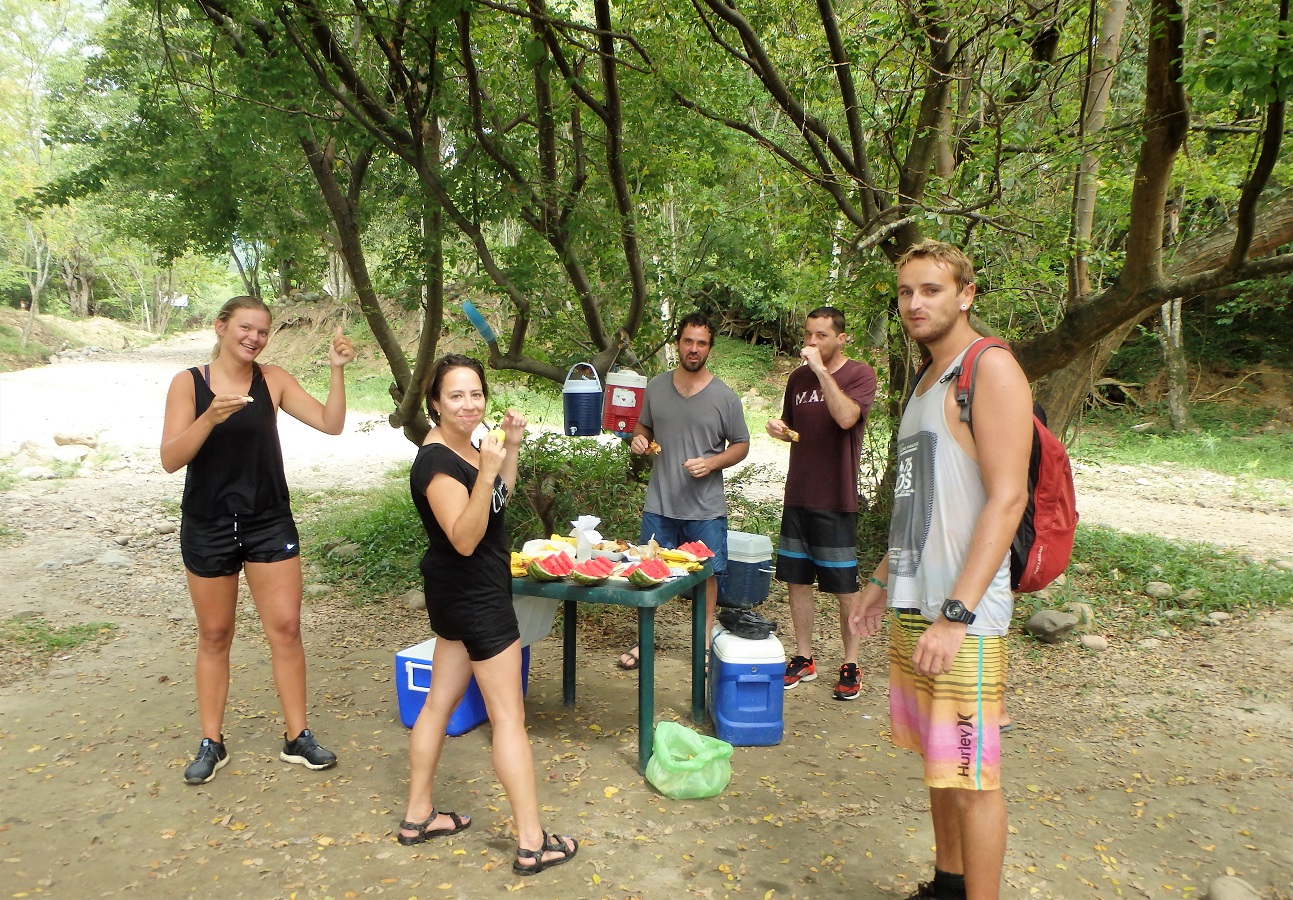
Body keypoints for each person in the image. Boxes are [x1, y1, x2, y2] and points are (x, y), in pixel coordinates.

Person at [850, 240, 1033, 900]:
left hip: (963, 615)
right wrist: (879, 581)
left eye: (929, 289)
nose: (913, 303)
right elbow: (916, 503)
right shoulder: (927, 380)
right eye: (904, 292)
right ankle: (946, 885)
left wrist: (955, 614)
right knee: (940, 763)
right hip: (914, 602)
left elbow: (1008, 498)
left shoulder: (989, 370)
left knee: (972, 773)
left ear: (965, 294)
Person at [161, 295, 354, 785]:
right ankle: (212, 741)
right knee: (215, 634)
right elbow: (170, 458)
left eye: (263, 331)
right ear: (221, 326)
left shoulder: (274, 379)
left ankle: (298, 736)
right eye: (246, 328)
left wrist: (336, 369)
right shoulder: (189, 384)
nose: (254, 338)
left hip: (268, 518)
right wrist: (209, 418)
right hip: (207, 521)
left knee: (286, 628)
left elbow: (331, 425)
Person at [401, 354, 579, 876]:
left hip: (458, 593)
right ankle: (531, 842)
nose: (468, 404)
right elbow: (464, 536)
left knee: (438, 703)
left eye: (475, 393)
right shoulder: (436, 462)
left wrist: (510, 450)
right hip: (474, 593)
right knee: (508, 718)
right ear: (435, 402)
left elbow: (497, 498)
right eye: (455, 395)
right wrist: (485, 472)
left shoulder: (472, 446)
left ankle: (418, 816)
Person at [618, 313, 751, 670]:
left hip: (706, 507)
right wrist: (640, 440)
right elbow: (641, 429)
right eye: (688, 341)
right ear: (678, 343)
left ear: (710, 347)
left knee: (707, 576)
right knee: (648, 570)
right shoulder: (656, 388)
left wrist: (712, 463)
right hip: (660, 501)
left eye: (702, 343)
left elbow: (741, 445)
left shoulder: (725, 397)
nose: (694, 349)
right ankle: (644, 640)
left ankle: (703, 642)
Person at [766, 307, 877, 699]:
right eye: (808, 335)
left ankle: (851, 662)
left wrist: (821, 373)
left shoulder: (859, 375)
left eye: (821, 336)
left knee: (844, 588)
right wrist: (780, 430)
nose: (811, 343)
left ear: (841, 338)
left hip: (836, 498)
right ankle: (804, 657)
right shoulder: (796, 379)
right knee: (797, 581)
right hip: (798, 494)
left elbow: (847, 418)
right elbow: (796, 429)